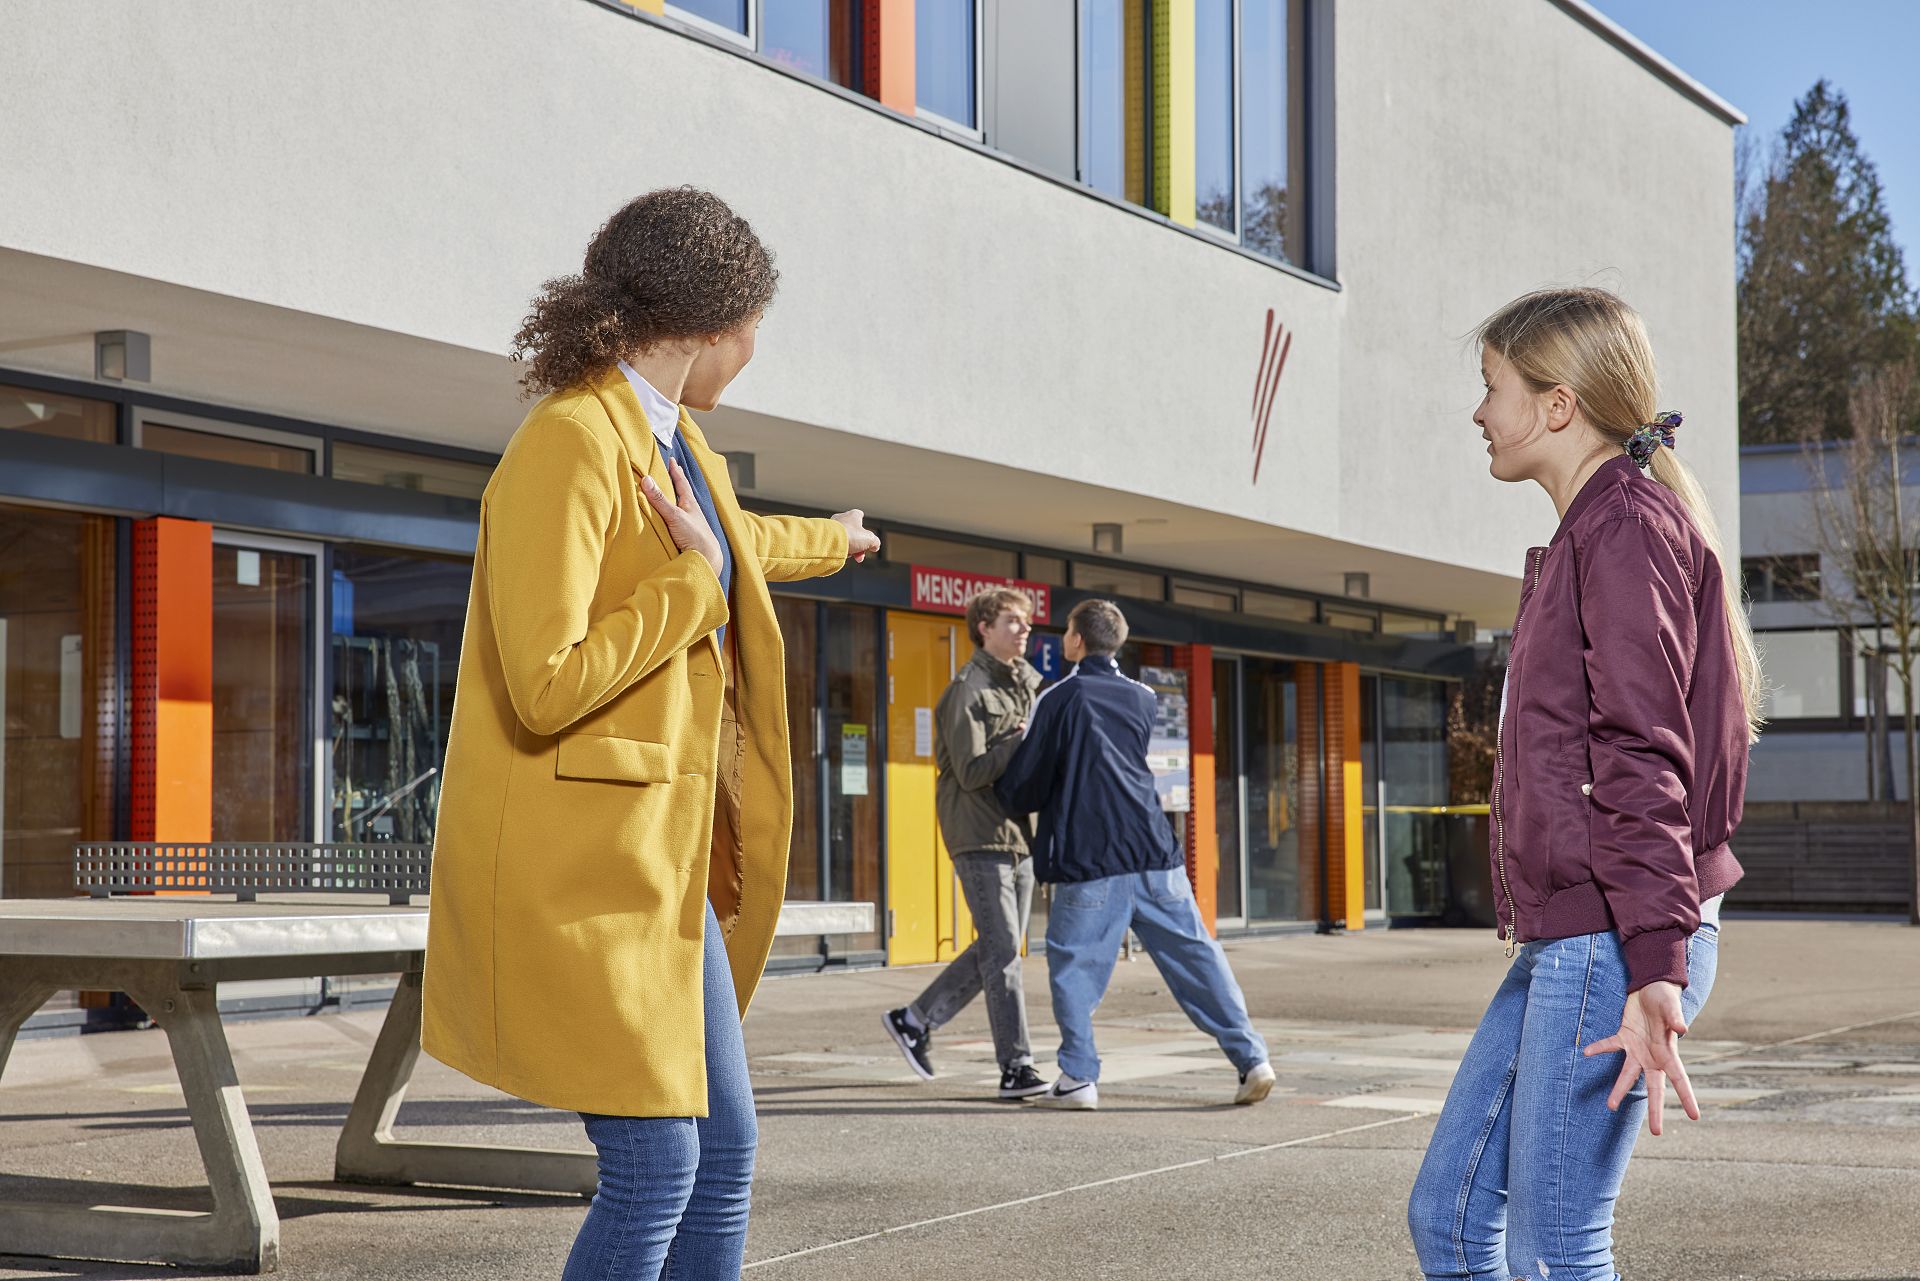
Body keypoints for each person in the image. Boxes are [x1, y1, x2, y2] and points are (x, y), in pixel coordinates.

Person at [422, 187, 880, 1281]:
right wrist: (693, 588)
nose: (756, 349)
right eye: (754, 326)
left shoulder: (674, 443)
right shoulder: (570, 442)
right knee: (661, 1166)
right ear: (712, 323)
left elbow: (736, 539)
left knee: (724, 1153)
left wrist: (835, 539)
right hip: (586, 871)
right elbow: (542, 683)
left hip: (663, 871)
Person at [1407, 287, 1759, 1281]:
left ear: (1556, 405)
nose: (1479, 413)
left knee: (1556, 1243)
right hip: (1581, 930)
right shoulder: (1593, 536)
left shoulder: (1625, 534)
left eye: (1492, 388)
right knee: (1451, 1213)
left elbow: (1643, 757)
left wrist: (1655, 963)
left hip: (1618, 931)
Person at [993, 599, 1275, 1111]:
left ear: (1077, 640)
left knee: (1074, 967)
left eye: (1067, 634)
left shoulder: (1058, 697)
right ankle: (1253, 1058)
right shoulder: (1143, 698)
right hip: (1155, 852)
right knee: (1198, 959)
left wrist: (1012, 760)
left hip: (1090, 858)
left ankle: (1078, 1078)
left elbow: (1024, 788)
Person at [883, 587, 1050, 1101]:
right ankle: (1015, 1067)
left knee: (999, 948)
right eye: (1013, 622)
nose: (1024, 630)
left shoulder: (1030, 684)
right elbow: (973, 770)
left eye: (1025, 623)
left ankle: (914, 1019)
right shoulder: (967, 690)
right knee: (1003, 954)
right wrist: (1019, 741)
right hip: (977, 833)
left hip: (1018, 831)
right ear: (985, 628)